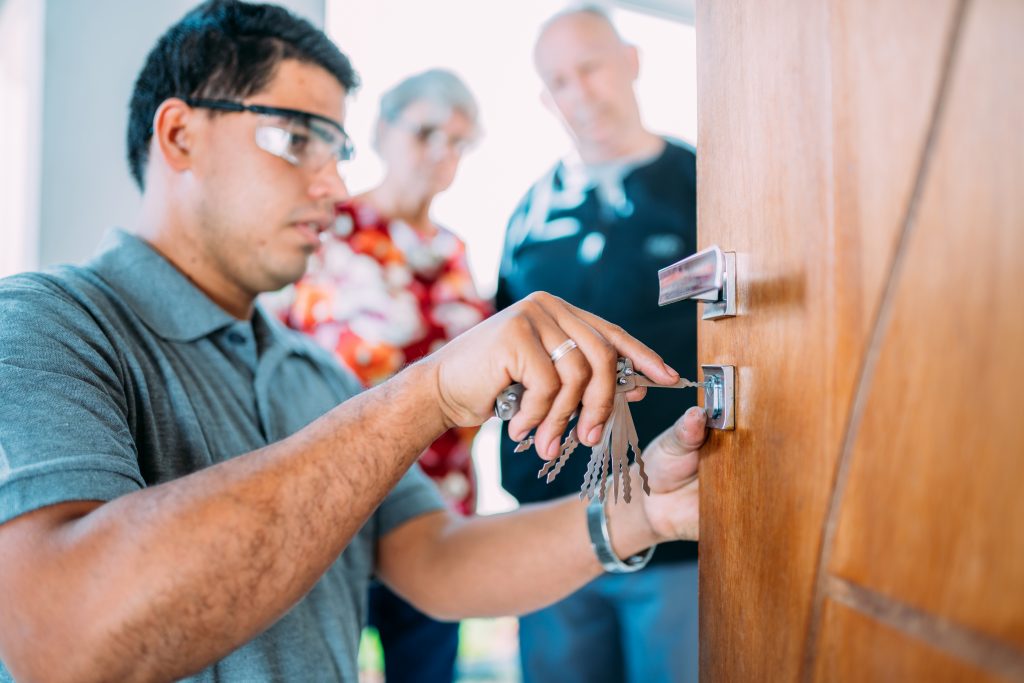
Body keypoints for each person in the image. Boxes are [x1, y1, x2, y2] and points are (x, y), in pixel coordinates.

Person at [0, 2, 704, 682]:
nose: (335, 184)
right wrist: (429, 391)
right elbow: (61, 639)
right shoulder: (45, 325)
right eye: (295, 139)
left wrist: (643, 511)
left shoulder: (316, 374)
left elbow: (435, 556)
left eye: (337, 150)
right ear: (181, 135)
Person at [266, 68, 491, 683]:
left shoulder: (455, 252)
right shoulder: (323, 230)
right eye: (426, 133)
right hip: (333, 509)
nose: (441, 153)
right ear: (383, 131)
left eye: (458, 142)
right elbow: (268, 353)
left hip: (441, 508)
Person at [496, 7, 700, 683]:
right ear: (544, 97)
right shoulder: (528, 214)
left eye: (591, 68)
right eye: (559, 80)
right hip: (552, 531)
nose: (579, 92)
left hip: (675, 533)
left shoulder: (705, 183)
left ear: (631, 62)